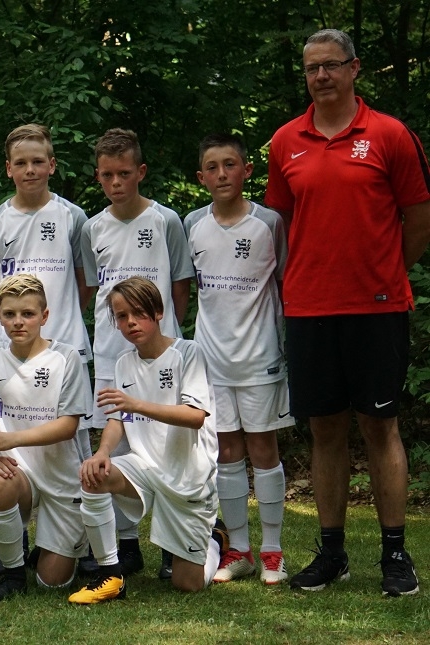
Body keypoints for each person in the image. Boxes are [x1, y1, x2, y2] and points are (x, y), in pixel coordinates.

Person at [265, 28, 430, 596]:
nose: (321, 76)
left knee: (380, 426)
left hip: (376, 307)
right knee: (325, 429)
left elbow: (418, 218)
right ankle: (331, 553)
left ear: (354, 68)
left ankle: (395, 553)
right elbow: (285, 222)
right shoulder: (285, 140)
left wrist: (384, 274)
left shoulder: (389, 134)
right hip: (310, 306)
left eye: (331, 65)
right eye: (312, 68)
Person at [0, 124, 94, 571]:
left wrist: (56, 325)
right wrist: (13, 327)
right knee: (4, 442)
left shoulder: (73, 217)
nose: (30, 170)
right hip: (12, 353)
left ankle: (80, 538)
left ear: (52, 165)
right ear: (8, 169)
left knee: (73, 446)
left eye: (38, 161)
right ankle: (5, 538)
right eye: (21, 163)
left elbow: (85, 282)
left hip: (65, 347)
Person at [81, 128, 194, 578]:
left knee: (168, 442)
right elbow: (93, 288)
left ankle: (172, 544)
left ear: (140, 172)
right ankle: (126, 546)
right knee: (118, 442)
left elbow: (180, 286)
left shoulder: (166, 221)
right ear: (98, 176)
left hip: (162, 352)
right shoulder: (92, 227)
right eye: (107, 175)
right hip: (111, 352)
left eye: (124, 173)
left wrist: (163, 336)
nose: (116, 182)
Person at [69, 277, 221, 604]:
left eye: (139, 313)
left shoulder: (188, 353)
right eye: (122, 316)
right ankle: (110, 574)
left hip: (188, 477)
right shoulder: (123, 363)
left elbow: (195, 416)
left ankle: (214, 540)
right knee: (93, 475)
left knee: (187, 584)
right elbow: (117, 420)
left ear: (158, 312)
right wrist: (102, 452)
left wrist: (136, 404)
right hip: (143, 467)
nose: (131, 323)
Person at [186, 133, 292, 585]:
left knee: (263, 448)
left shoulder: (269, 223)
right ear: (201, 177)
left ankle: (273, 551)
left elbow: (286, 284)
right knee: (226, 452)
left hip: (260, 357)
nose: (222, 174)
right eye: (212, 167)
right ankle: (240, 550)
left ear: (247, 170)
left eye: (230, 164)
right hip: (212, 360)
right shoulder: (192, 223)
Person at [0, 274, 92, 603]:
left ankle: (58, 545)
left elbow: (68, 426)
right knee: (0, 479)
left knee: (53, 582)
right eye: (9, 314)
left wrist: (12, 439)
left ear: (44, 316)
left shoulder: (66, 357)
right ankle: (13, 573)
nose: (18, 322)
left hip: (61, 476)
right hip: (18, 473)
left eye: (28, 314)